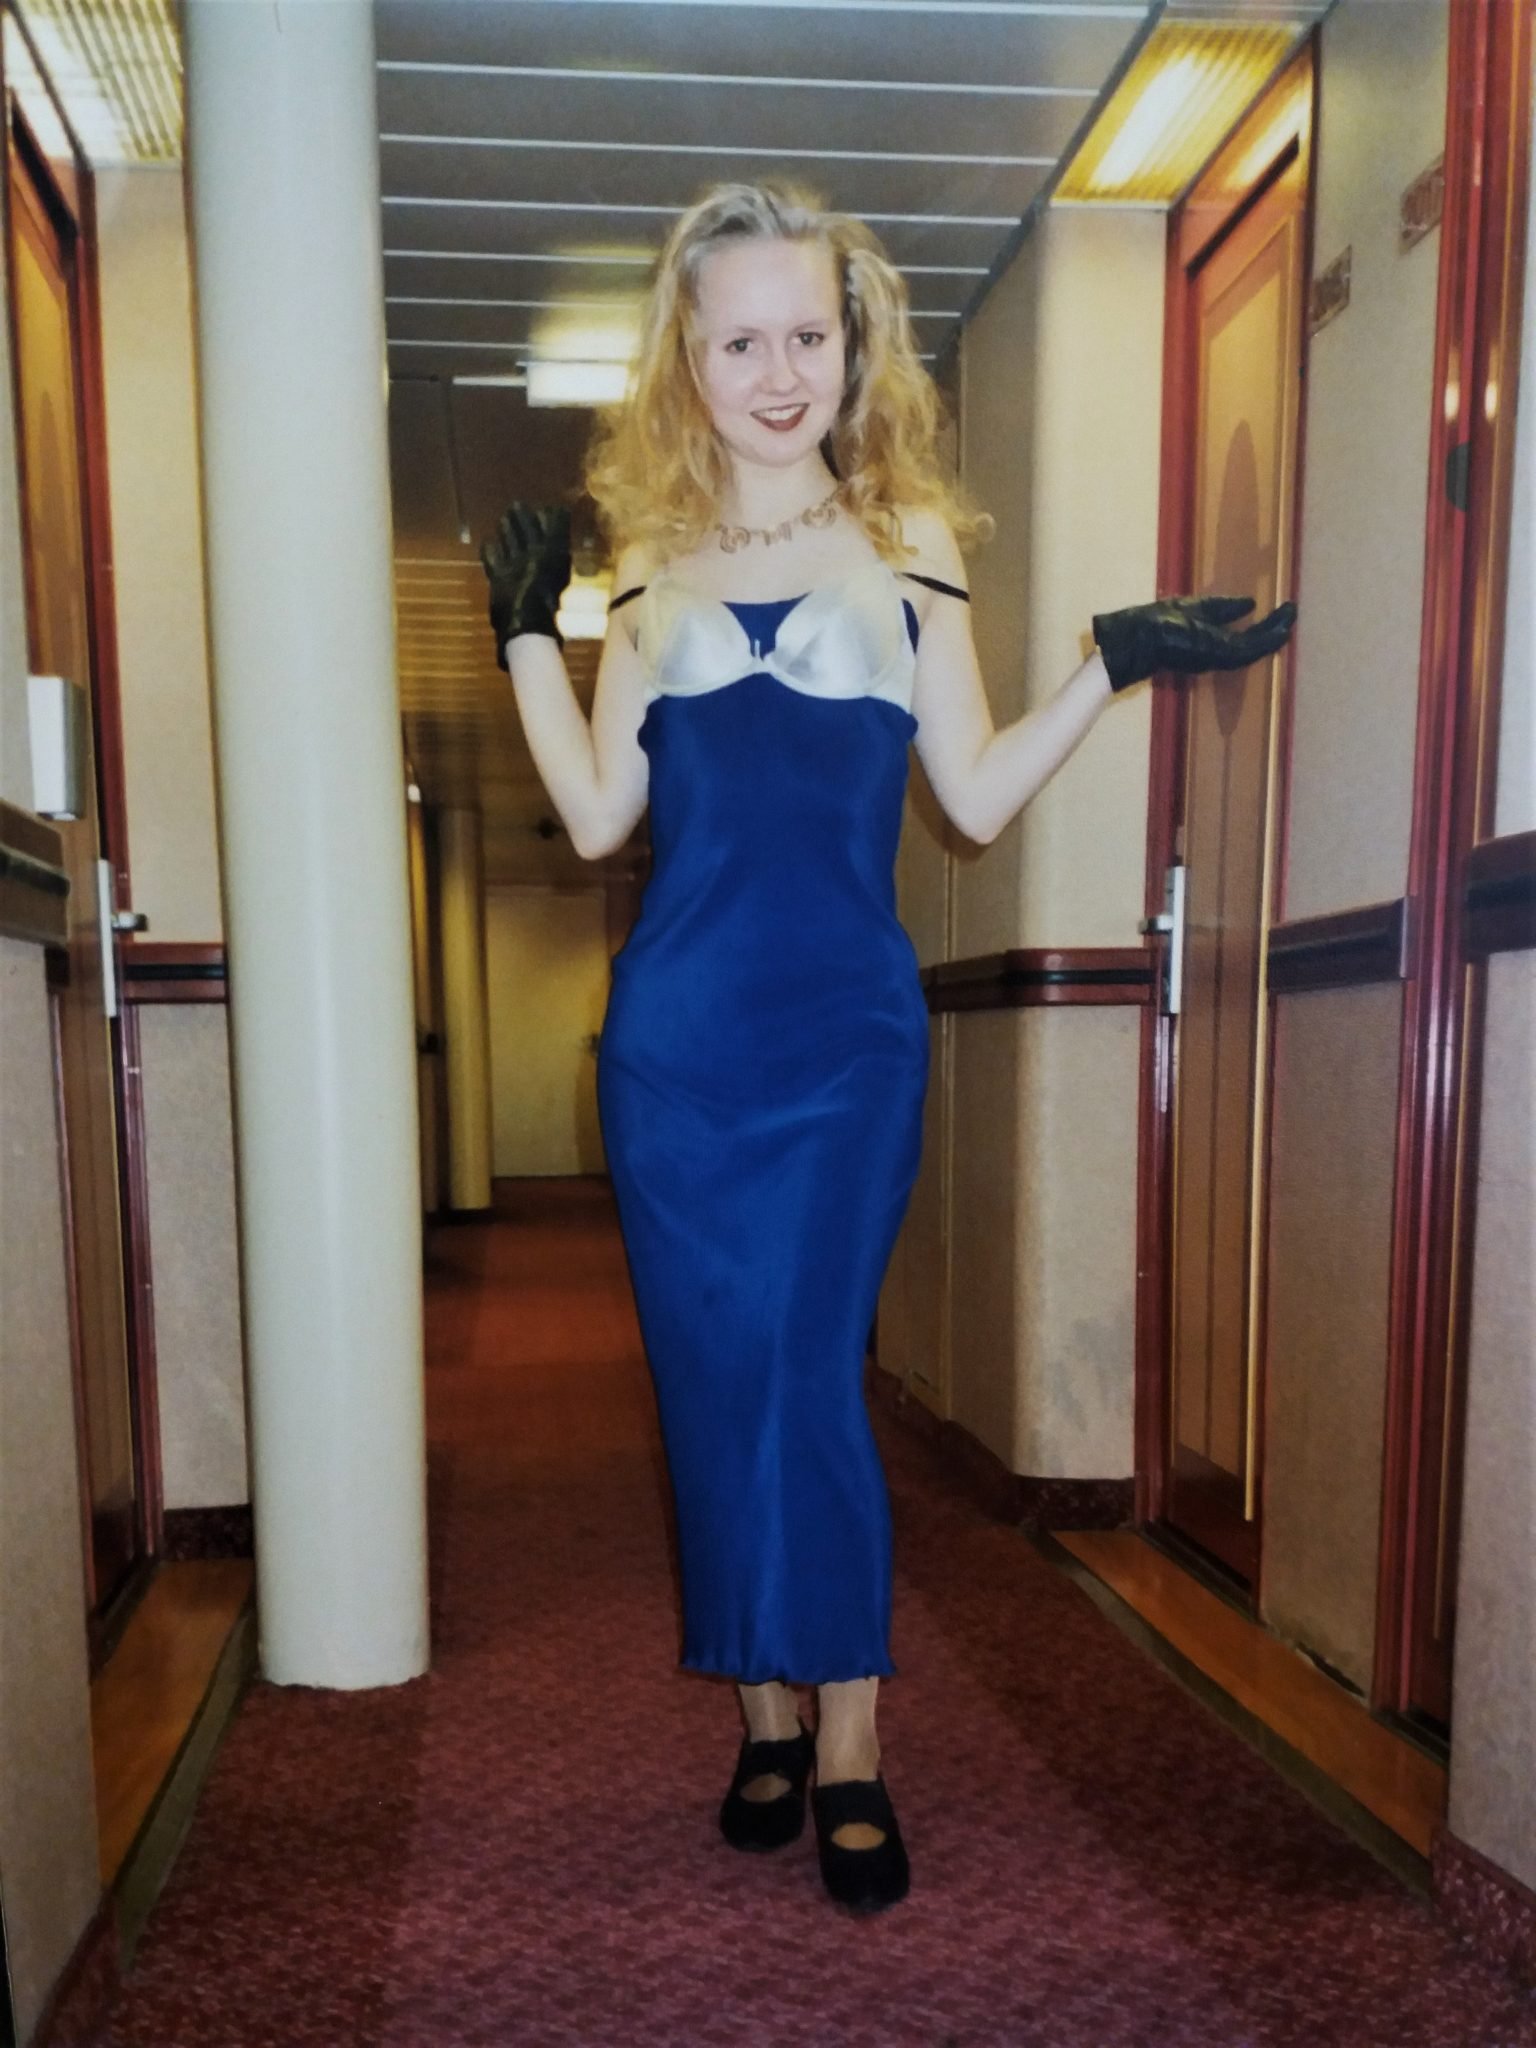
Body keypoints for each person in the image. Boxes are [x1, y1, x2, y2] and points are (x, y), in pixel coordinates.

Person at [480, 181, 1295, 1915]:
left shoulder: (909, 545)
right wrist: (529, 639)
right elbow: (603, 817)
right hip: (677, 1052)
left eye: (809, 335)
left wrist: (1109, 667)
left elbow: (974, 798)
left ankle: (849, 1738)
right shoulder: (645, 573)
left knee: (807, 1376)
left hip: (846, 1042)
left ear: (856, 351)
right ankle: (763, 1713)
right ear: (686, 361)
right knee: (713, 1388)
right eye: (740, 342)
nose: (779, 373)